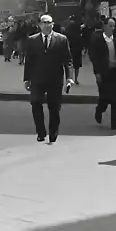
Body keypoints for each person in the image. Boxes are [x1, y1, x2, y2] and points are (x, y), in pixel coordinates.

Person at [23, 14, 74, 144]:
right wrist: (26, 79)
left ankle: (53, 132)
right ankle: (41, 131)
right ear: (39, 25)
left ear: (53, 24)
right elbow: (28, 61)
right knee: (35, 103)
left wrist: (69, 78)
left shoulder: (62, 39)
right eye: (44, 23)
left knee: (54, 107)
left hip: (55, 79)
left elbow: (67, 60)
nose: (47, 25)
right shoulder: (32, 40)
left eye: (49, 23)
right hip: (37, 78)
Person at [90, 17, 116, 131]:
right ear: (104, 26)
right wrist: (97, 72)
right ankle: (100, 110)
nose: (112, 28)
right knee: (104, 97)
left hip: (115, 72)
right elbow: (94, 57)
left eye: (114, 26)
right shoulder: (97, 40)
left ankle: (114, 123)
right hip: (103, 72)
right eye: (110, 25)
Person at [64, 16, 84, 85]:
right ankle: (76, 79)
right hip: (77, 50)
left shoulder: (67, 33)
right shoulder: (78, 34)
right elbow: (82, 42)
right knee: (77, 66)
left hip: (70, 50)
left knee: (70, 65)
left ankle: (70, 79)